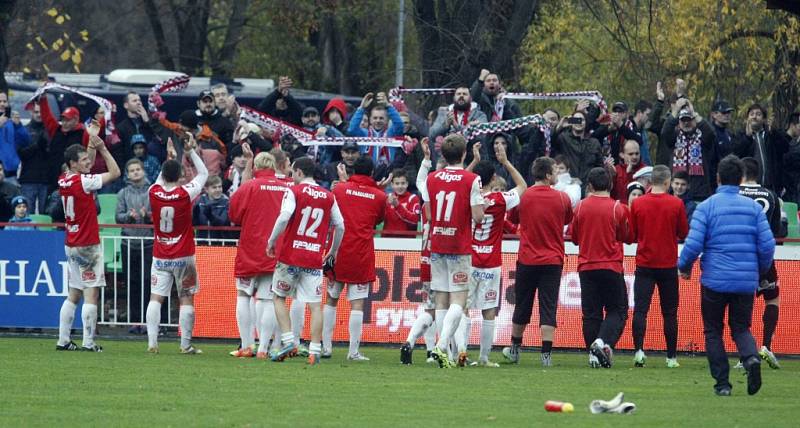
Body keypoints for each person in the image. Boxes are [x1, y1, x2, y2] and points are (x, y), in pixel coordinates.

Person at [678, 155, 775, 396]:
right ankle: (751, 358)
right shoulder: (754, 209)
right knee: (741, 328)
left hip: (714, 280)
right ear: (741, 179)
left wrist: (684, 266)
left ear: (718, 178)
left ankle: (722, 385)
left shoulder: (706, 207)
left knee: (713, 331)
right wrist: (760, 270)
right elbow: (767, 246)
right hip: (744, 282)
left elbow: (693, 244)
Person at [267, 156, 345, 365]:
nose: (292, 177)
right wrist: (332, 251)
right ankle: (315, 350)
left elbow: (284, 217)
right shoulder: (328, 196)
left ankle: (288, 341)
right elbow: (341, 225)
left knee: (278, 297)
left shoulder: (294, 191)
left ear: (299, 172)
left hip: (291, 256)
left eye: (293, 173)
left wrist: (272, 240)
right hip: (313, 258)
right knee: (315, 305)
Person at [503, 156, 573, 367]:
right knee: (548, 307)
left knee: (522, 304)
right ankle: (546, 354)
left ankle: (515, 348)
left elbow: (513, 219)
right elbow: (567, 219)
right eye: (555, 171)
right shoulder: (562, 198)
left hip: (527, 259)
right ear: (548, 175)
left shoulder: (524, 196)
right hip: (552, 260)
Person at [424, 134, 485, 368]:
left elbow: (429, 214)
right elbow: (478, 216)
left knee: (440, 300)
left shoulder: (432, 178)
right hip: (459, 246)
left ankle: (446, 356)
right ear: (464, 153)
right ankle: (441, 347)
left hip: (437, 243)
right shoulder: (472, 179)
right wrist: (482, 208)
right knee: (458, 300)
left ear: (443, 155)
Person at [56, 139, 121, 352]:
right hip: (88, 244)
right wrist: (102, 148)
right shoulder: (83, 182)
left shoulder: (64, 179)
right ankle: (88, 342)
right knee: (91, 293)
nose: (88, 163)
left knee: (74, 292)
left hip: (71, 243)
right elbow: (115, 173)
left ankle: (63, 340)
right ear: (73, 164)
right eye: (83, 160)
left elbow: (88, 172)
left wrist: (91, 143)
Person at [145, 135, 209, 354]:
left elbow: (159, 181)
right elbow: (204, 174)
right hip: (183, 254)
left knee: (156, 297)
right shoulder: (185, 193)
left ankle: (152, 343)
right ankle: (185, 345)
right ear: (181, 176)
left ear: (162, 175)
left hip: (160, 253)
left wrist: (169, 158)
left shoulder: (153, 192)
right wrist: (190, 152)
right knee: (186, 297)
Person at [464, 144, 526, 367]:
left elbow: (463, 178)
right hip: (491, 262)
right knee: (488, 311)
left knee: (463, 308)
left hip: (468, 260)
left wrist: (473, 160)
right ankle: (483, 358)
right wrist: (506, 162)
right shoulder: (500, 200)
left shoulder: (466, 196)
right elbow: (522, 186)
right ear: (492, 179)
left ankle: (461, 353)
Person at [229, 147, 291, 359]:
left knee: (244, 295)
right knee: (267, 300)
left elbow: (234, 214)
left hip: (249, 249)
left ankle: (247, 345)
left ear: (255, 167)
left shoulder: (250, 186)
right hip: (275, 251)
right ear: (274, 167)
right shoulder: (285, 188)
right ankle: (264, 348)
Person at [323, 156, 387, 360]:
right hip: (361, 253)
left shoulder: (340, 189)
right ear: (371, 173)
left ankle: (325, 347)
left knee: (331, 299)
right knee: (357, 304)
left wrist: (344, 183)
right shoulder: (379, 195)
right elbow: (378, 220)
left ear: (352, 170)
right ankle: (353, 351)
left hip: (338, 251)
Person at [569, 167, 633, 368]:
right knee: (617, 310)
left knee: (591, 313)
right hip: (611, 266)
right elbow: (627, 236)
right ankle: (602, 343)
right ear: (611, 185)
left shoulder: (580, 207)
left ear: (589, 185)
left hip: (586, 266)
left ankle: (593, 354)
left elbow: (574, 238)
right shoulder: (618, 208)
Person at [629, 165, 688, 368]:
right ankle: (671, 357)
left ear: (650, 181)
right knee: (670, 312)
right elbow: (683, 232)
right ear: (667, 182)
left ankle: (638, 352)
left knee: (640, 310)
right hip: (667, 265)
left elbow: (632, 234)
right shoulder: (676, 204)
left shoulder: (638, 204)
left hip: (644, 264)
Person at [738, 157, 784, 369]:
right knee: (772, 299)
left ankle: (743, 355)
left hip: (740, 256)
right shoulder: (771, 196)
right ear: (759, 174)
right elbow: (776, 231)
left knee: (741, 303)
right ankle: (766, 345)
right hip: (764, 257)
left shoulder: (734, 194)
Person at [401, 138, 439, 364]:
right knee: (446, 307)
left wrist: (426, 161)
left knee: (430, 307)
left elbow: (421, 181)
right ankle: (439, 351)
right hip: (445, 259)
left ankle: (420, 346)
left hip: (426, 259)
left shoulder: (428, 198)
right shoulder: (450, 206)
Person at [115, 158, 155, 329]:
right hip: (129, 242)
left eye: (138, 169)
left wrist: (147, 215)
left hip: (147, 242)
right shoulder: (123, 193)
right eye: (132, 170)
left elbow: (156, 215)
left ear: (143, 171)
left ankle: (150, 321)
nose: (135, 172)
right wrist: (128, 217)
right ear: (128, 174)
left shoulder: (153, 191)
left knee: (148, 282)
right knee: (131, 282)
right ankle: (135, 321)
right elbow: (118, 216)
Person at [382, 168, 420, 237]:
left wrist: (397, 206)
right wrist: (381, 188)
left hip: (406, 243)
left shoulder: (413, 198)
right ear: (392, 185)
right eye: (397, 183)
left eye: (403, 183)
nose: (400, 186)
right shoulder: (387, 198)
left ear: (407, 184)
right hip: (387, 242)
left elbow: (415, 220)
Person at [193, 175, 231, 242]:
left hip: (220, 244)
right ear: (206, 190)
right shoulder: (200, 201)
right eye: (214, 187)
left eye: (220, 187)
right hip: (201, 243)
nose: (218, 190)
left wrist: (210, 216)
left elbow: (223, 222)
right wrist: (194, 216)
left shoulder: (226, 202)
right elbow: (195, 224)